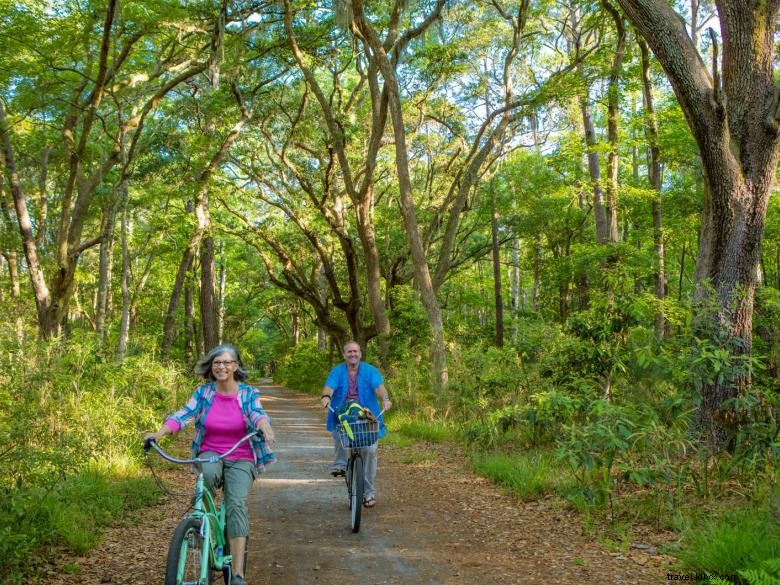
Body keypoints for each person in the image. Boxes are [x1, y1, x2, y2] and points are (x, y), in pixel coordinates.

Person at [145, 343, 275, 585]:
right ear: (211, 366)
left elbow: (258, 414)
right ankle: (201, 524)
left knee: (235, 504)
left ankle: (237, 574)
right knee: (206, 481)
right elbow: (183, 415)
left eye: (227, 362)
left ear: (236, 366)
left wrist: (264, 425)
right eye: (217, 363)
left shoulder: (248, 393)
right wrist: (159, 433)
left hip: (241, 455)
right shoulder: (204, 394)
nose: (221, 366)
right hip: (210, 452)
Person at [320, 340, 391, 508]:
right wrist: (326, 397)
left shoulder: (370, 370)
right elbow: (329, 387)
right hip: (344, 414)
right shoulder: (337, 371)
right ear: (345, 355)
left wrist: (385, 399)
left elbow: (379, 387)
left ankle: (368, 492)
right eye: (349, 352)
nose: (353, 354)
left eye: (355, 351)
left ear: (360, 353)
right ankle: (340, 465)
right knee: (339, 430)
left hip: (367, 416)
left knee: (370, 451)